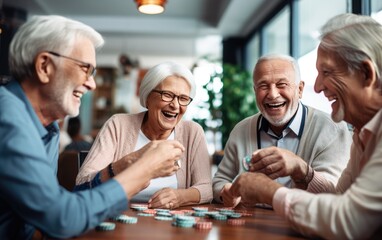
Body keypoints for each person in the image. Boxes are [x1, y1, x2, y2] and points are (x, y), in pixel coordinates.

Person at [0, 15, 185, 239]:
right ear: (44, 66)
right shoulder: (8, 118)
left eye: (93, 73)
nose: (92, 83)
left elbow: (44, 214)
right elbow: (63, 217)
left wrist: (123, 166)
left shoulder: (49, 128)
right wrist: (146, 168)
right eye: (85, 69)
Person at [229, 13, 382, 239]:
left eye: (327, 72)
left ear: (366, 74)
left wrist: (269, 192)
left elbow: (349, 220)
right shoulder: (363, 133)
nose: (318, 87)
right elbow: (338, 200)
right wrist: (304, 173)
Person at [212, 54, 352, 207]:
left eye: (282, 84)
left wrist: (302, 171)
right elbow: (220, 181)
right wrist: (226, 192)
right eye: (263, 86)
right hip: (249, 225)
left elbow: (333, 195)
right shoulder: (241, 130)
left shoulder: (332, 129)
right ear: (255, 91)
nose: (272, 94)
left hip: (304, 225)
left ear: (299, 89)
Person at [75, 61, 212, 209]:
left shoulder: (192, 132)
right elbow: (82, 183)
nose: (175, 105)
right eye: (167, 95)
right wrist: (127, 163)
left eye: (183, 99)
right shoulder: (118, 125)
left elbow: (206, 188)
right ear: (147, 97)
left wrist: (179, 197)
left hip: (172, 227)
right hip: (119, 221)